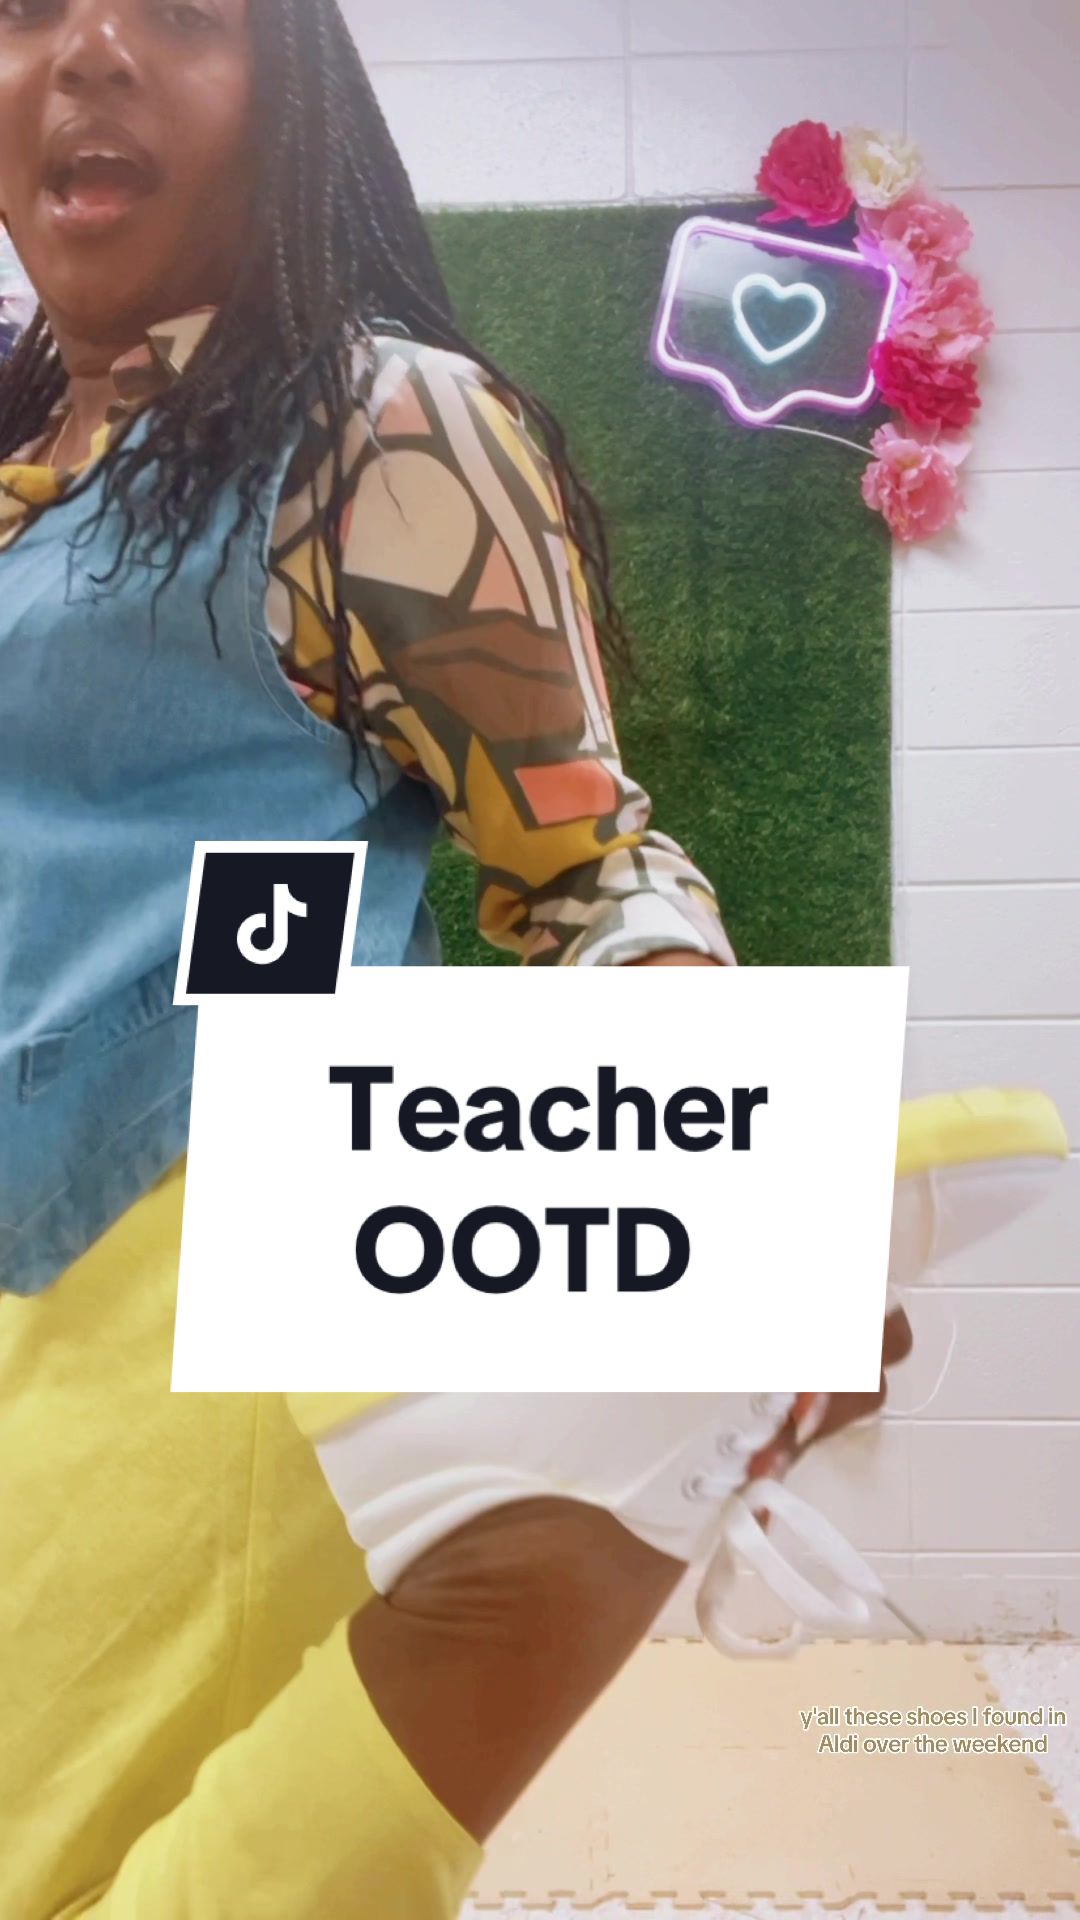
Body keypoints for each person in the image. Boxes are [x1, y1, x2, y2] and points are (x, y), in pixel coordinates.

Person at [0, 1, 941, 1913]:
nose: (87, 50)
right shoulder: (29, 450)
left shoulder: (377, 424)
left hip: (218, 1321)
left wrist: (736, 1178)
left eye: (179, 11)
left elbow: (584, 867)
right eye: (31, 5)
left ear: (289, 93)